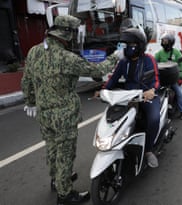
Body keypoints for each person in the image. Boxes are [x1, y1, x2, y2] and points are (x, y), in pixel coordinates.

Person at [21, 15, 119, 205]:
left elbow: (26, 80)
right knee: (65, 153)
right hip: (63, 114)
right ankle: (65, 195)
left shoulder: (34, 51)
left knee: (52, 148)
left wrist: (30, 101)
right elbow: (97, 70)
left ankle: (56, 180)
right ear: (67, 34)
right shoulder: (67, 58)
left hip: (43, 113)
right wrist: (116, 56)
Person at [96, 27, 161, 168]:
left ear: (139, 45)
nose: (127, 47)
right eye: (125, 44)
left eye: (130, 44)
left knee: (154, 119)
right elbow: (112, 79)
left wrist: (152, 90)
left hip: (146, 96)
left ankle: (149, 150)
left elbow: (156, 80)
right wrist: (102, 91)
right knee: (114, 120)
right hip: (128, 97)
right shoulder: (123, 62)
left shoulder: (149, 59)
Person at [154, 33, 182, 120]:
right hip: (162, 78)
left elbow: (181, 66)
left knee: (180, 93)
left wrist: (180, 77)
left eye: (165, 41)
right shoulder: (160, 53)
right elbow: (154, 62)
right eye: (163, 41)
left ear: (171, 42)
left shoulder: (176, 52)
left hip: (173, 79)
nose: (164, 42)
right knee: (154, 91)